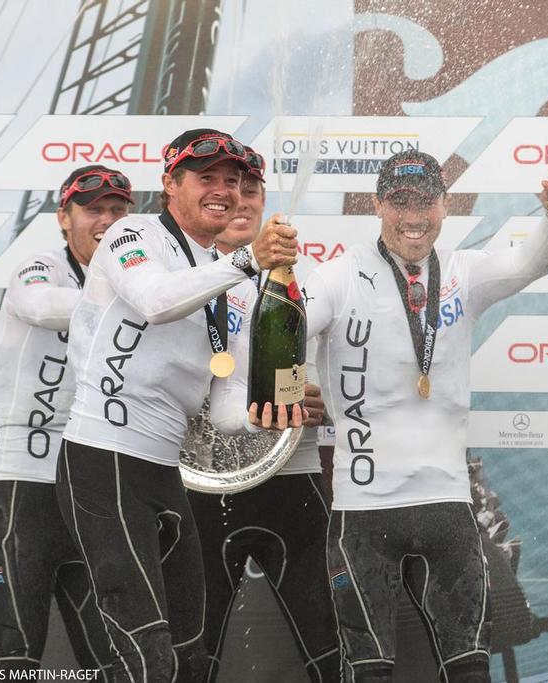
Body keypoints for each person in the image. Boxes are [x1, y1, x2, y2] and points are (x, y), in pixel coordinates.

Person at [300, 150, 548, 682]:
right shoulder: (339, 274)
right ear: (379, 205)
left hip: (448, 506)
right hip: (364, 509)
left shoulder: (463, 271)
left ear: (445, 205)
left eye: (426, 201)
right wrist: (291, 392)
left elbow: (529, 263)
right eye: (401, 201)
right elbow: (286, 331)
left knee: (471, 671)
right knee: (368, 673)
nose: (414, 216)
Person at [56, 128, 300, 682]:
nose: (224, 191)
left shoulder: (232, 280)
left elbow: (226, 404)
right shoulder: (131, 232)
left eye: (234, 182)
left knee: (190, 653)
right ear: (170, 183)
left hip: (166, 476)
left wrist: (278, 408)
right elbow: (156, 301)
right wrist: (246, 261)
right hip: (103, 461)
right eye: (206, 178)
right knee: (144, 654)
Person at [183, 147, 340, 682]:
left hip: (292, 476)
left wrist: (328, 404)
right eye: (232, 189)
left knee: (329, 644)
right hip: (199, 484)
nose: (242, 201)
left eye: (253, 190)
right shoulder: (178, 278)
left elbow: (357, 375)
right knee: (190, 651)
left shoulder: (312, 278)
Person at [0, 164, 133, 674]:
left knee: (112, 664)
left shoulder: (138, 281)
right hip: (24, 491)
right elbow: (40, 305)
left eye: (117, 209)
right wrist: (137, 300)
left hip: (93, 494)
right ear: (64, 219)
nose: (107, 220)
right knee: (17, 659)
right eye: (94, 209)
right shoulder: (40, 265)